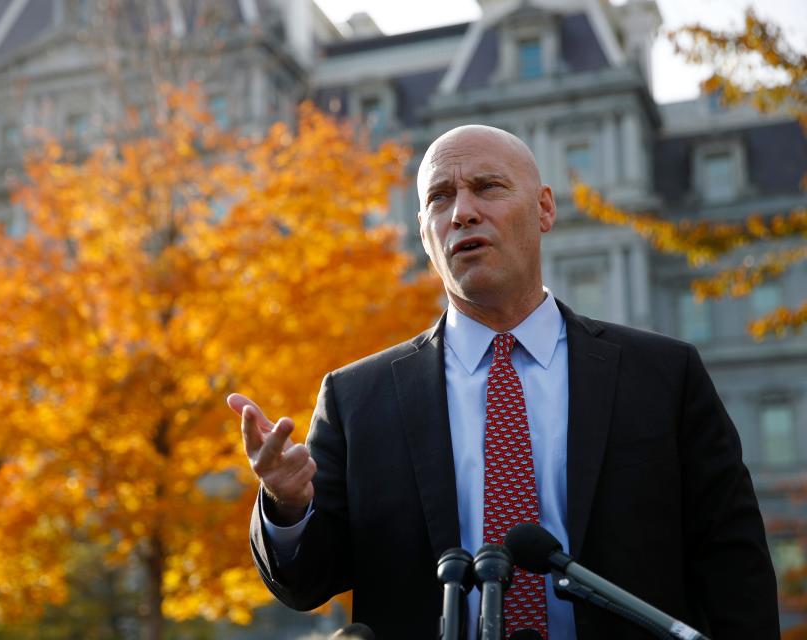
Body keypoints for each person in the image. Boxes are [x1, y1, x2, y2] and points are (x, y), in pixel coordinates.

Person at [227, 125, 779, 639]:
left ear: (543, 209)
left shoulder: (663, 375)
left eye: (487, 188)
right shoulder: (356, 399)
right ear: (425, 235)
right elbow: (306, 583)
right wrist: (287, 505)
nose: (463, 212)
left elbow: (734, 568)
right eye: (439, 198)